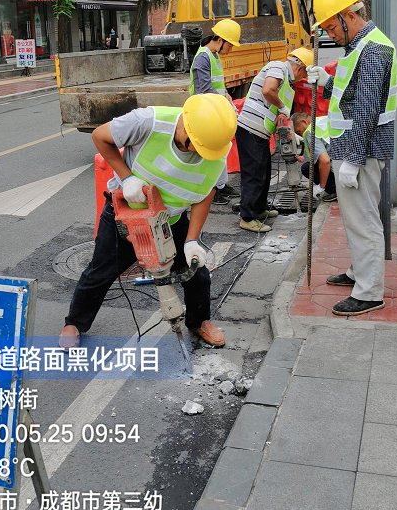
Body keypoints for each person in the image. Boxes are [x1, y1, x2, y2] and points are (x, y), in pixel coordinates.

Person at [59, 94, 237, 349]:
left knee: (197, 274)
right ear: (185, 124)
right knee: (100, 272)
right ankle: (74, 323)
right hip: (128, 217)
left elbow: (205, 192)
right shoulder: (148, 122)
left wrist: (192, 240)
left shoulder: (216, 150)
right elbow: (100, 136)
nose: (198, 153)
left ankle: (199, 321)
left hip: (171, 221)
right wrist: (127, 177)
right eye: (194, 145)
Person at [306, 0, 397, 316]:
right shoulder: (359, 46)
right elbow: (350, 91)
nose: (330, 33)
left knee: (364, 221)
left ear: (348, 16)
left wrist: (353, 161)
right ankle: (360, 272)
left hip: (363, 150)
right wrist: (324, 82)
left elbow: (368, 109)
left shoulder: (373, 49)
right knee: (356, 219)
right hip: (353, 147)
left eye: (331, 25)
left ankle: (370, 291)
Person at [234, 47, 313, 232]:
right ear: (300, 68)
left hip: (261, 131)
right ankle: (248, 217)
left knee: (264, 172)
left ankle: (259, 208)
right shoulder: (278, 67)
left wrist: (291, 133)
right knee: (253, 173)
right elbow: (268, 90)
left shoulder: (287, 83)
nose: (302, 79)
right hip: (250, 127)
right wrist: (282, 106)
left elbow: (279, 114)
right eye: (304, 75)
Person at [189, 18, 242, 204]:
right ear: (220, 40)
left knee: (222, 150)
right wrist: (223, 100)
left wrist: (226, 95)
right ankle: (211, 190)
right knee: (212, 152)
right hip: (205, 111)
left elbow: (216, 84)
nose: (231, 49)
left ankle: (220, 186)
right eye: (230, 45)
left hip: (215, 108)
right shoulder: (203, 57)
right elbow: (203, 88)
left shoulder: (214, 55)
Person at [291, 111, 337, 202]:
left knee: (307, 168)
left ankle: (335, 190)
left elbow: (325, 161)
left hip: (337, 165)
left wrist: (321, 187)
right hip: (349, 161)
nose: (301, 134)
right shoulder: (322, 120)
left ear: (304, 122)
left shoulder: (309, 132)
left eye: (299, 132)